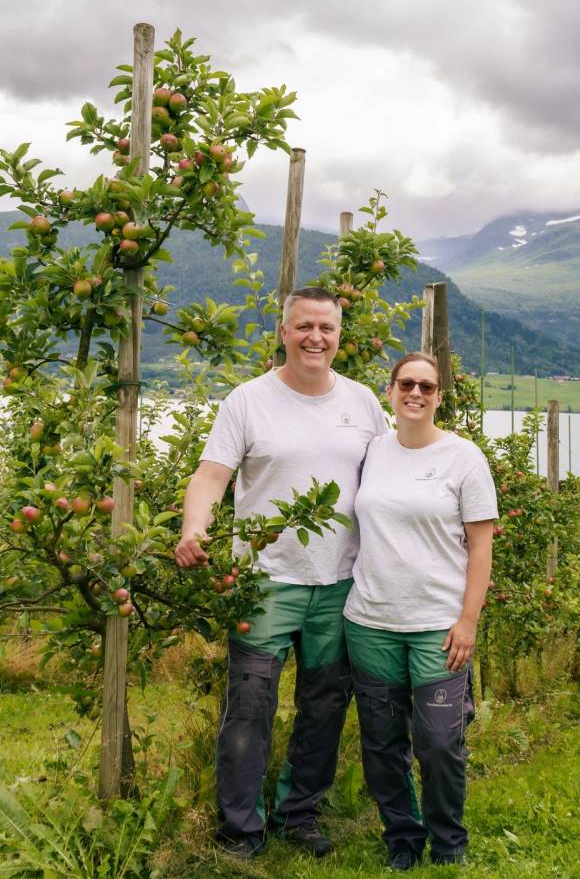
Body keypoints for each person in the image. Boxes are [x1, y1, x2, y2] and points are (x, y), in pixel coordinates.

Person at [174, 286, 387, 863]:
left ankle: (301, 814)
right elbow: (212, 475)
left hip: (340, 583)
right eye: (304, 327)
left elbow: (391, 482)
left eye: (327, 327)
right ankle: (241, 830)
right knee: (249, 706)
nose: (315, 337)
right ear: (283, 332)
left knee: (323, 706)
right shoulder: (248, 401)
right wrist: (194, 527)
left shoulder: (365, 403)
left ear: (340, 335)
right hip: (264, 581)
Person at [343, 352, 497, 871]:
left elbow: (480, 548)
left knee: (438, 742)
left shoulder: (464, 458)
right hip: (371, 621)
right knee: (382, 744)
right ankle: (402, 838)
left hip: (438, 625)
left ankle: (448, 839)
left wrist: (469, 621)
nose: (416, 393)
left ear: (438, 396)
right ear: (389, 391)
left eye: (427, 387)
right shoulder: (372, 452)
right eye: (406, 383)